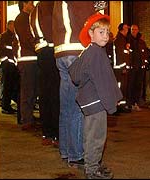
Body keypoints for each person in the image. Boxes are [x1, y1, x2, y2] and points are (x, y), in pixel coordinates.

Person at [69, 12, 122, 179]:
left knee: (90, 135)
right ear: (90, 33)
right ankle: (92, 170)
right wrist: (111, 104)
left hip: (89, 102)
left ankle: (93, 164)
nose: (105, 36)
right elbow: (103, 81)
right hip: (97, 102)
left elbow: (75, 74)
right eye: (101, 32)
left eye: (107, 32)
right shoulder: (97, 54)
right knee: (97, 137)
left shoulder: (87, 52)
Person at [52, 1, 97, 168]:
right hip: (76, 51)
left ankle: (66, 151)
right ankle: (76, 154)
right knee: (78, 107)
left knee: (66, 106)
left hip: (61, 52)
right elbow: (88, 22)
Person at [29, 1, 60, 147]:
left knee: (46, 94)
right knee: (55, 94)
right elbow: (52, 26)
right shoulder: (50, 5)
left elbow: (34, 32)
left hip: (42, 52)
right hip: (52, 51)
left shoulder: (37, 8)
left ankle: (47, 132)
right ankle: (55, 133)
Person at [14, 1, 38, 130]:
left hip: (29, 59)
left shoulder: (25, 18)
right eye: (31, 3)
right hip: (27, 59)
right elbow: (27, 37)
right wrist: (38, 47)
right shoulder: (22, 19)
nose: (33, 6)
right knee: (28, 90)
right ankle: (26, 120)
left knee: (30, 90)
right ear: (24, 4)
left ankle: (26, 118)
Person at [0, 20, 19, 114]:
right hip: (7, 66)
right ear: (9, 26)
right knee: (6, 86)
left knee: (9, 86)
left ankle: (7, 105)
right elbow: (1, 50)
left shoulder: (12, 36)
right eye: (13, 25)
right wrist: (5, 61)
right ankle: (6, 106)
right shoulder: (5, 36)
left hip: (11, 65)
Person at [126, 25, 150, 110]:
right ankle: (130, 103)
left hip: (140, 67)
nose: (134, 31)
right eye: (132, 29)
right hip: (132, 67)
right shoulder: (128, 40)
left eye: (135, 29)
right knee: (130, 85)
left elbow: (146, 52)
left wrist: (145, 63)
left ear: (138, 30)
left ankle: (136, 102)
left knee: (138, 85)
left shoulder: (141, 42)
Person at [113, 23, 131, 112]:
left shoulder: (123, 39)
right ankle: (117, 107)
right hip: (119, 69)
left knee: (123, 87)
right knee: (120, 87)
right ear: (122, 29)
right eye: (126, 28)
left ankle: (122, 106)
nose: (127, 30)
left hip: (122, 68)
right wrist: (123, 67)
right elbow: (119, 54)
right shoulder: (119, 40)